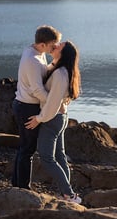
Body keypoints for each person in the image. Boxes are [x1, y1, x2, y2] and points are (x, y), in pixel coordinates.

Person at [25, 40, 81, 203]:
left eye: (59, 46)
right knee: (59, 156)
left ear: (63, 53)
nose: (55, 45)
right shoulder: (58, 69)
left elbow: (53, 102)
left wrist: (38, 119)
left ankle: (70, 195)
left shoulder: (60, 74)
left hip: (52, 119)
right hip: (59, 118)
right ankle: (67, 193)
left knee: (47, 158)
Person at [12, 24, 62, 189]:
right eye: (52, 45)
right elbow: (37, 89)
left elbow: (43, 74)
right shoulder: (32, 60)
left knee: (24, 148)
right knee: (28, 149)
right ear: (42, 44)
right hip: (27, 107)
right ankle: (23, 188)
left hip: (25, 104)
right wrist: (54, 104)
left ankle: (17, 184)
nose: (54, 48)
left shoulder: (36, 52)